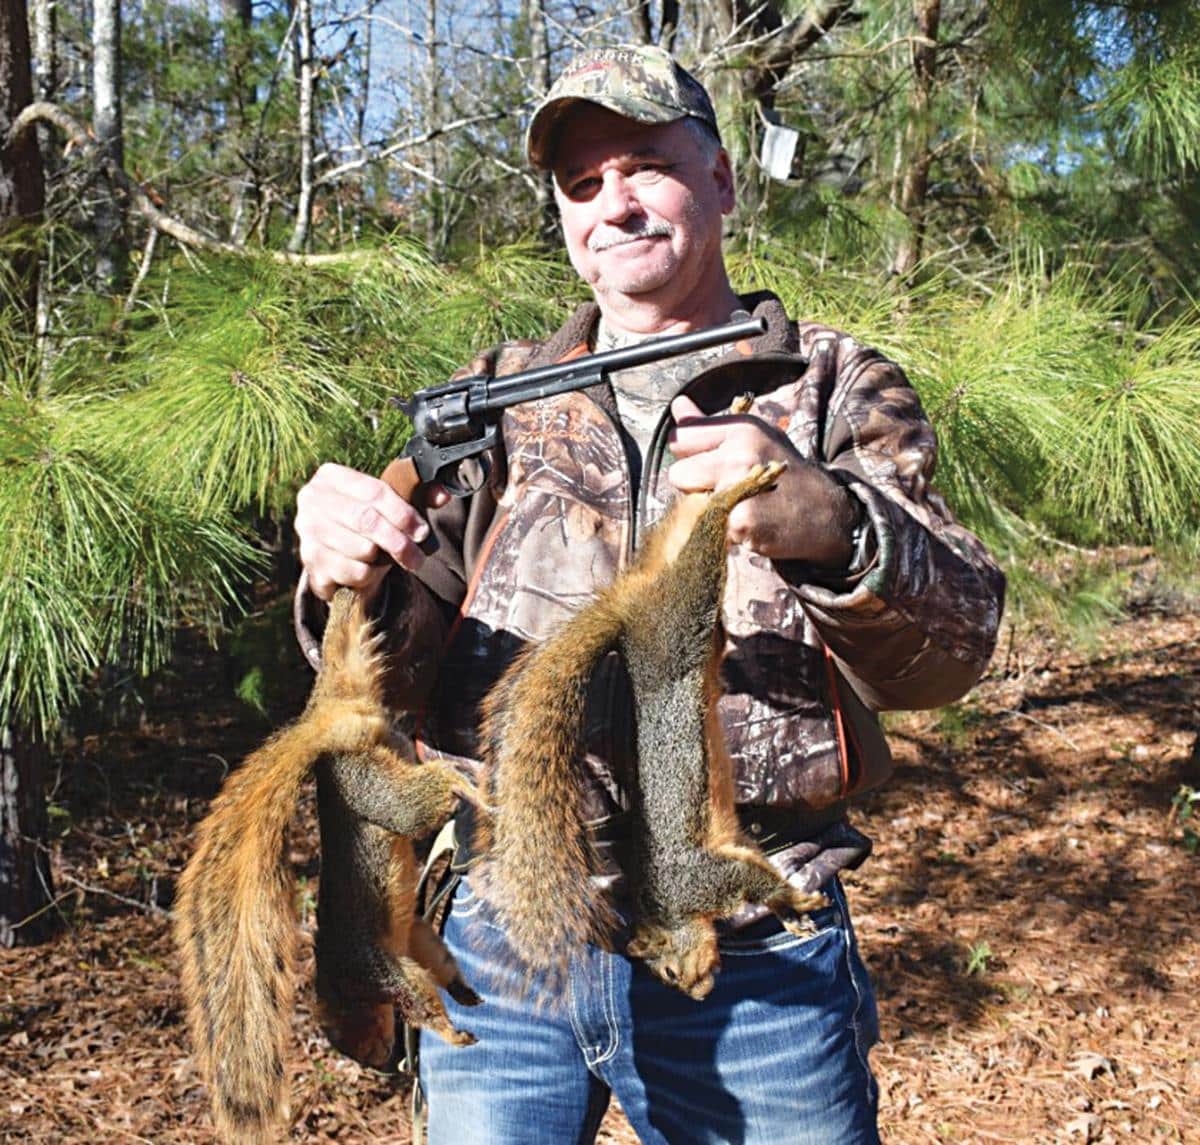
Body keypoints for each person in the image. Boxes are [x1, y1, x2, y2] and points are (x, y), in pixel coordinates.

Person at [293, 43, 1004, 1145]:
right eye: (582, 185)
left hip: (749, 944)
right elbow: (391, 666)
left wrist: (836, 525)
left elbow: (957, 646)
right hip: (502, 935)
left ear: (720, 179)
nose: (614, 204)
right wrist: (339, 566)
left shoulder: (825, 387)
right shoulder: (496, 402)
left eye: (644, 165)